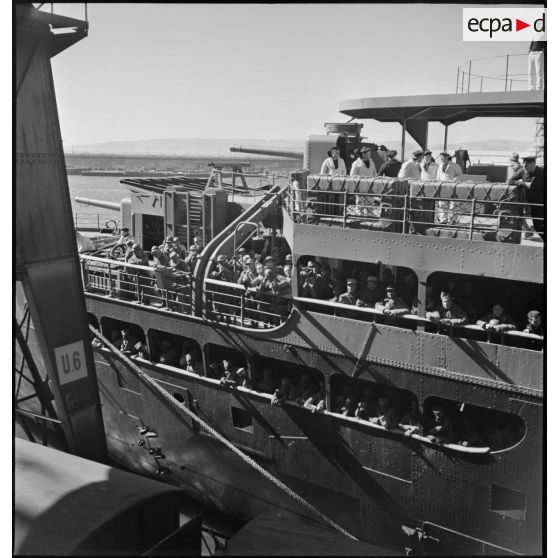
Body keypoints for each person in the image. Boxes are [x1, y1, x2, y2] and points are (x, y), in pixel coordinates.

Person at [508, 156, 545, 237]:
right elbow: (510, 181)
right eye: (524, 165)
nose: (524, 167)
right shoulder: (523, 171)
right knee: (538, 226)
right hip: (532, 203)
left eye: (526, 165)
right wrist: (524, 184)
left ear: (533, 164)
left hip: (542, 202)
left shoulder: (542, 172)